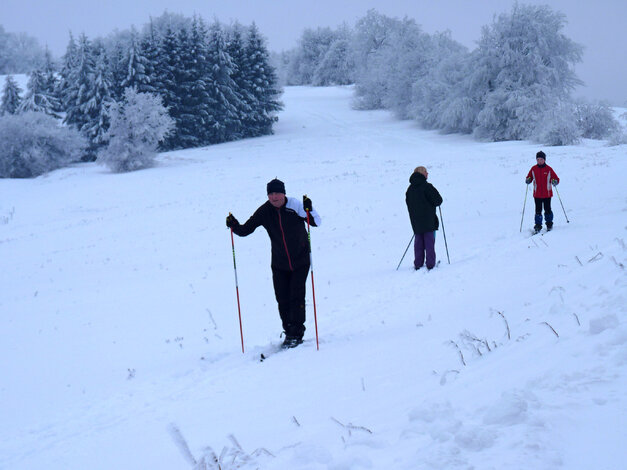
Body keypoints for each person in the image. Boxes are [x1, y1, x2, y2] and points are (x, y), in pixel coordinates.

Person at [226, 178, 321, 349]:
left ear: (284, 193)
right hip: (279, 263)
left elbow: (316, 222)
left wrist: (309, 208)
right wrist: (234, 226)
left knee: (296, 297)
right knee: (282, 299)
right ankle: (288, 332)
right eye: (270, 193)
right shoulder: (264, 211)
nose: (274, 197)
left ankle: (296, 334)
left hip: (300, 260)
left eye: (277, 193)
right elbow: (246, 229)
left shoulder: (295, 205)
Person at [405, 166, 443, 270]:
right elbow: (438, 200)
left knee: (418, 242)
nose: (427, 173)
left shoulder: (410, 189)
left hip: (416, 220)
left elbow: (408, 203)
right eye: (426, 171)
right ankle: (430, 264)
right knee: (429, 242)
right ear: (422, 173)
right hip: (429, 220)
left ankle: (418, 263)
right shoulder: (427, 186)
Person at [526, 151, 559, 233]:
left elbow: (556, 178)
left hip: (547, 194)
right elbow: (529, 177)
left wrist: (555, 181)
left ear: (544, 160)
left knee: (547, 209)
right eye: (538, 159)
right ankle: (538, 225)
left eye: (541, 159)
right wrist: (528, 180)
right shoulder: (533, 169)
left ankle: (549, 224)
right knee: (538, 210)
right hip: (537, 194)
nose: (539, 161)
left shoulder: (549, 169)